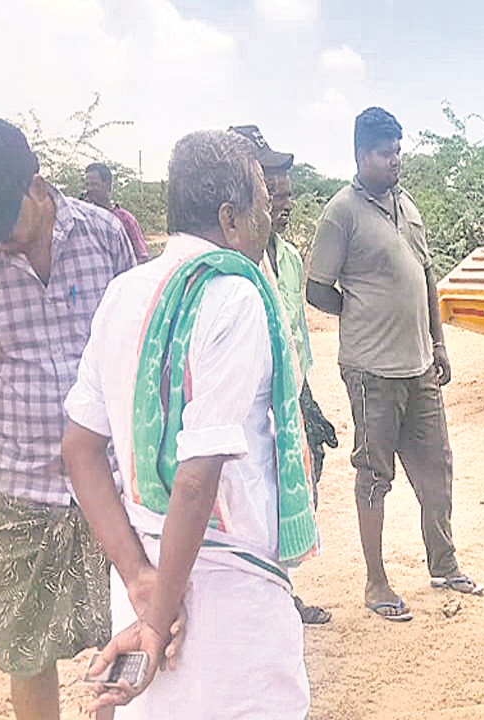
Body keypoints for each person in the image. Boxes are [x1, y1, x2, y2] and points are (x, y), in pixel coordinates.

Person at [62, 129, 317, 717]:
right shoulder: (234, 297)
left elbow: (79, 448)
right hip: (223, 593)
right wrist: (156, 622)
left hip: (147, 570)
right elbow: (197, 477)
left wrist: (142, 585)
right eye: (262, 202)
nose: (270, 217)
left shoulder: (123, 293)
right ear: (230, 218)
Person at [0, 118, 136, 720]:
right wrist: (12, 442)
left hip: (112, 485)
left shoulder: (104, 238)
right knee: (25, 652)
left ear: (38, 188)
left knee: (124, 633)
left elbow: (133, 348)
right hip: (15, 498)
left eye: (3, 219)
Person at [307, 106, 480, 622]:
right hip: (371, 372)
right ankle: (376, 582)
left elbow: (426, 276)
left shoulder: (407, 204)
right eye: (386, 152)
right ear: (362, 155)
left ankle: (444, 562)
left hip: (419, 366)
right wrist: (358, 309)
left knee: (437, 468)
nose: (396, 160)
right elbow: (318, 289)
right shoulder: (341, 213)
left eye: (399, 151)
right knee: (373, 475)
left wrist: (440, 344)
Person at [229, 123, 337, 626]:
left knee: (294, 487)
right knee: (248, 496)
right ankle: (263, 598)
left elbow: (296, 337)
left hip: (291, 393)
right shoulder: (229, 268)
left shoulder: (288, 259)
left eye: (285, 191)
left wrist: (305, 400)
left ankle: (279, 587)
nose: (280, 200)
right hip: (249, 405)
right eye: (271, 188)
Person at [85, 162, 150, 263]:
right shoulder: (84, 220)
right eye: (87, 184)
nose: (89, 189)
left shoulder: (126, 220)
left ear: (108, 186)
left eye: (94, 184)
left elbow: (142, 257)